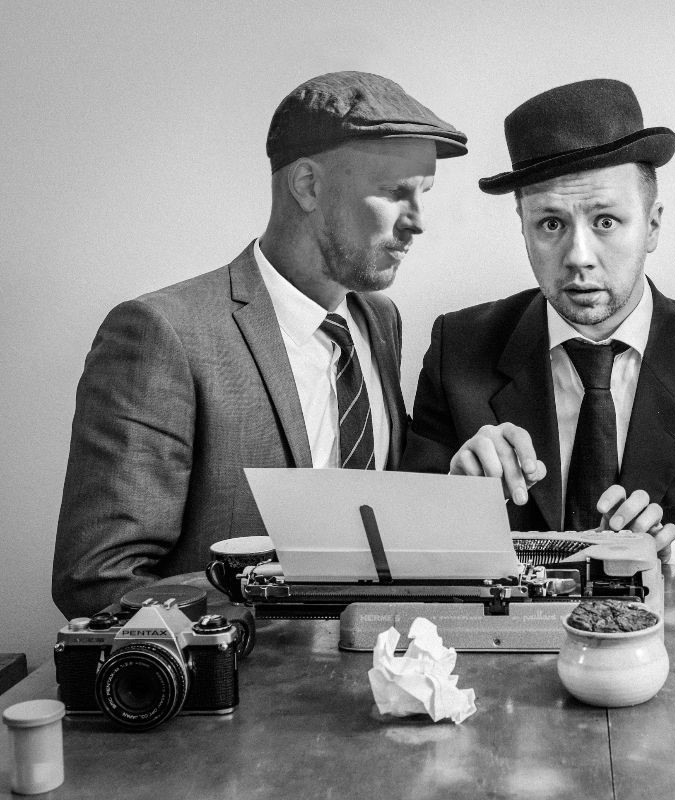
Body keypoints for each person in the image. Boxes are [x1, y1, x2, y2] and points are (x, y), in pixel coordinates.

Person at [53, 71, 467, 619]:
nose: (418, 222)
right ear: (308, 185)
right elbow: (98, 579)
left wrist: (457, 480)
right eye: (394, 191)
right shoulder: (162, 333)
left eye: (424, 194)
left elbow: (379, 512)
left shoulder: (379, 320)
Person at [402, 79, 675, 562]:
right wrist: (455, 494)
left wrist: (670, 549)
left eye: (605, 221)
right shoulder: (457, 348)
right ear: (522, 227)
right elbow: (408, 534)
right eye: (551, 224)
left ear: (652, 226)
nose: (578, 257)